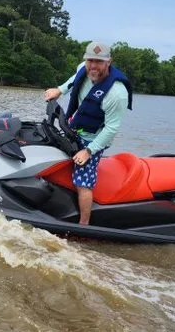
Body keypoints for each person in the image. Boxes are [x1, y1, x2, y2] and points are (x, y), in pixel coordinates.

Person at [44, 41, 133, 225]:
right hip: (74, 128)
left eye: (99, 62)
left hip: (93, 139)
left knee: (83, 181)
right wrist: (59, 90)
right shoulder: (82, 69)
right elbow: (73, 80)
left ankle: (84, 225)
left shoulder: (117, 94)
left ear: (109, 62)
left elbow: (111, 129)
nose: (93, 66)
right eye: (90, 60)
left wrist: (89, 151)